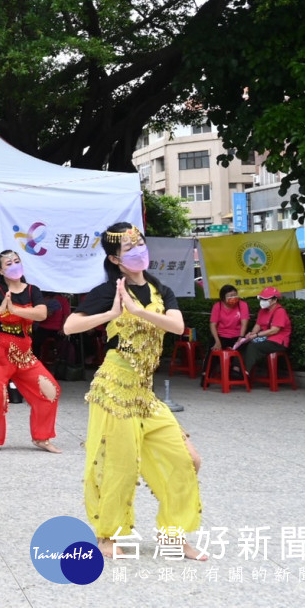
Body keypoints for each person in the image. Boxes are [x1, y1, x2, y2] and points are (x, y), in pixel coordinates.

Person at [63, 223, 204, 561]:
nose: (140, 251)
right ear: (115, 258)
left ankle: (173, 536)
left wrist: (138, 311)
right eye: (130, 249)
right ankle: (110, 536)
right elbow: (70, 326)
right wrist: (111, 312)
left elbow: (178, 326)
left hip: (145, 393)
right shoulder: (108, 290)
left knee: (188, 459)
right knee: (119, 465)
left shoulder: (160, 290)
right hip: (114, 387)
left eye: (140, 243)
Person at [0, 251, 61, 454]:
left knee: (50, 390)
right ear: (1, 270)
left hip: (24, 353)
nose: (14, 265)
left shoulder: (33, 290)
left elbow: (41, 313)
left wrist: (15, 310)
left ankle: (42, 437)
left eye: (17, 261)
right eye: (9, 263)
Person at [237, 286, 291, 378]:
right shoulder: (262, 311)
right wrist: (251, 334)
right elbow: (258, 325)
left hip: (277, 342)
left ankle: (245, 372)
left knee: (253, 346)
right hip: (265, 338)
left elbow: (274, 330)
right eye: (261, 298)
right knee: (242, 344)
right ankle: (236, 369)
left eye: (265, 299)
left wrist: (256, 335)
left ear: (274, 300)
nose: (262, 301)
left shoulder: (280, 311)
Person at [210, 285, 250, 353]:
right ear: (223, 298)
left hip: (237, 336)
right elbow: (213, 325)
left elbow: (244, 323)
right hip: (221, 336)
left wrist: (240, 338)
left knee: (241, 353)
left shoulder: (243, 305)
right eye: (230, 296)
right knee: (213, 352)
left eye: (235, 295)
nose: (233, 298)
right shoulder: (217, 306)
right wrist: (217, 341)